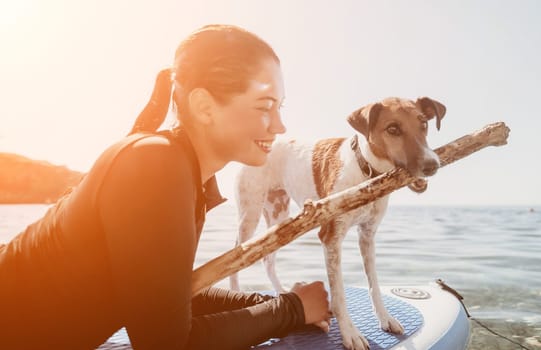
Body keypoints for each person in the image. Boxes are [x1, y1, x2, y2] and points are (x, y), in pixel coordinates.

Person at [0, 24, 331, 349]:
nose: (279, 125)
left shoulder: (180, 170)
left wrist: (267, 303)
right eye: (264, 107)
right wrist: (290, 310)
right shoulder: (155, 165)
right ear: (204, 107)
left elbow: (166, 297)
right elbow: (166, 343)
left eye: (280, 107)